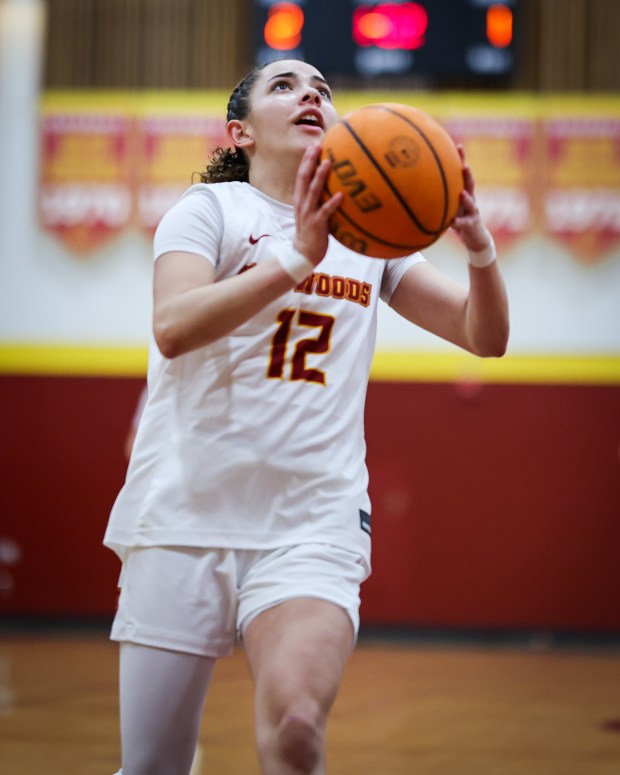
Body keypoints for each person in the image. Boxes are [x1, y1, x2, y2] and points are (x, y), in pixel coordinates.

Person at [104, 58, 509, 775]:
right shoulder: (209, 211)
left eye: (323, 89)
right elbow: (173, 325)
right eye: (285, 86)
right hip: (184, 509)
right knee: (153, 765)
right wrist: (295, 258)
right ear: (242, 130)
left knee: (295, 729)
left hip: (310, 519)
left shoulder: (370, 238)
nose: (310, 96)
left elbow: (485, 335)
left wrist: (478, 246)